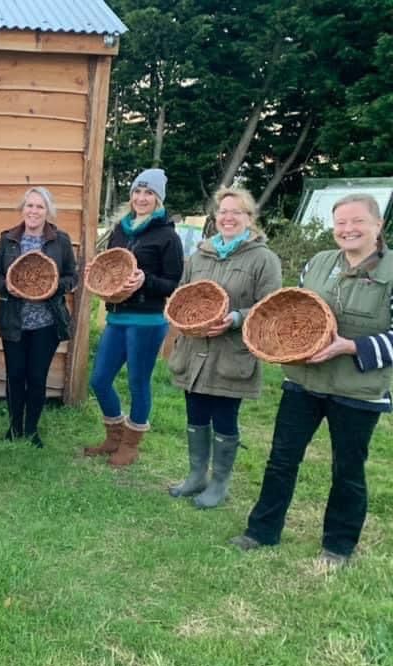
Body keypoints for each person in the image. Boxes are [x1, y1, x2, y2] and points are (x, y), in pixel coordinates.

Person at [231, 194, 392, 565]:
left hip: (357, 391)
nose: (348, 230)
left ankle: (338, 547)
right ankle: (262, 531)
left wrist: (349, 346)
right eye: (341, 223)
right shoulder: (318, 263)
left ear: (377, 225)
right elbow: (295, 313)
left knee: (347, 469)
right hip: (304, 382)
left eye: (357, 222)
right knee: (282, 459)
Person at [167, 188, 282, 507]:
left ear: (249, 219)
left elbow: (271, 307)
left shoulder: (263, 259)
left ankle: (219, 483)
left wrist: (234, 318)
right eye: (223, 212)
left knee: (224, 417)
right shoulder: (199, 256)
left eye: (237, 212)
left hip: (230, 354)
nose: (228, 217)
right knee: (196, 414)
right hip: (194, 351)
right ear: (215, 217)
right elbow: (182, 295)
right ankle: (195, 476)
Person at [83, 168, 183, 466]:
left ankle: (131, 443)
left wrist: (145, 281)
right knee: (99, 380)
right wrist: (98, 276)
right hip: (117, 318)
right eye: (138, 192)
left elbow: (173, 284)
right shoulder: (120, 230)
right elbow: (113, 270)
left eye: (149, 193)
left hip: (147, 322)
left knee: (138, 382)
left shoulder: (167, 236)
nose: (142, 198)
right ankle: (113, 437)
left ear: (158, 199)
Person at [0, 186, 78, 448]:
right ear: (22, 209)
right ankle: (15, 427)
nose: (34, 211)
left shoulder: (59, 240)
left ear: (48, 211)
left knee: (37, 377)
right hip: (14, 321)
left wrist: (54, 286)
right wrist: (6, 285)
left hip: (46, 323)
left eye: (40, 206)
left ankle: (31, 430)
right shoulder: (8, 240)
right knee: (15, 375)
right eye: (30, 205)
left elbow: (72, 276)